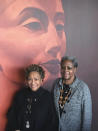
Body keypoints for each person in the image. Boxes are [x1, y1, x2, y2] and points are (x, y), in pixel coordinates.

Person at [0, 0, 66, 130]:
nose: (56, 44)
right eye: (33, 24)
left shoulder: (49, 99)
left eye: (59, 26)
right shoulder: (20, 98)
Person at [6, 64, 58, 131]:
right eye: (30, 79)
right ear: (26, 81)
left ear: (41, 81)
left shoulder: (48, 97)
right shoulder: (19, 95)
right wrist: (16, 129)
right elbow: (12, 116)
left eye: (36, 79)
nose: (33, 82)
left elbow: (52, 122)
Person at [52, 56, 92, 131]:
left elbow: (87, 118)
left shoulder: (83, 88)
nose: (65, 70)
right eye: (63, 67)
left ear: (75, 69)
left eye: (69, 68)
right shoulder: (56, 84)